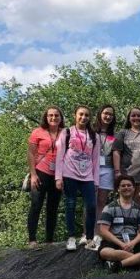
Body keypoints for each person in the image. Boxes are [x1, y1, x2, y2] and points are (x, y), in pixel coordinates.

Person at [56, 106, 100, 251]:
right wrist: (58, 177)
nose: (83, 117)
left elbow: (95, 160)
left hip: (87, 175)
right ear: (75, 115)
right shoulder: (67, 132)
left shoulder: (94, 136)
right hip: (69, 173)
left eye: (87, 115)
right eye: (81, 114)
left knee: (92, 206)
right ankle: (71, 238)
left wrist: (96, 181)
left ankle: (89, 238)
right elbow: (60, 155)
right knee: (70, 204)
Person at [97, 175, 140, 270]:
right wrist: (121, 244)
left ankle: (120, 264)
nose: (126, 188)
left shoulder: (139, 209)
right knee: (104, 252)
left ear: (134, 188)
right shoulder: (109, 208)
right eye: (123, 186)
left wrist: (132, 243)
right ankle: (139, 260)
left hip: (134, 242)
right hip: (114, 242)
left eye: (129, 185)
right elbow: (103, 230)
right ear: (118, 189)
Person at [27, 106, 65, 248]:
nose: (53, 118)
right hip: (40, 172)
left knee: (52, 208)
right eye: (50, 115)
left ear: (61, 118)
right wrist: (33, 175)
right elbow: (31, 153)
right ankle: (32, 240)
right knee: (36, 205)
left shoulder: (65, 133)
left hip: (58, 175)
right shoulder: (38, 132)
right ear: (46, 117)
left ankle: (49, 240)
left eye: (56, 115)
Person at [89, 105, 117, 251]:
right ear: (100, 114)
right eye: (106, 113)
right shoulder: (91, 131)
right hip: (92, 169)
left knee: (101, 202)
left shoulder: (114, 134)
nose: (108, 116)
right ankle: (87, 233)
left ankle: (98, 233)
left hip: (108, 169)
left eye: (111, 114)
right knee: (90, 202)